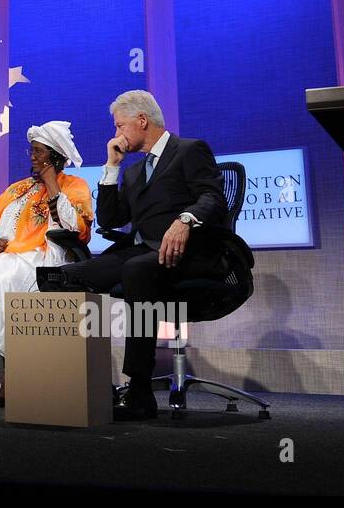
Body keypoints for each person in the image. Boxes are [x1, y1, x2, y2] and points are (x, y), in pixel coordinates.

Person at [64, 90, 227, 420]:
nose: (117, 134)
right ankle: (73, 381)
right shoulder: (135, 172)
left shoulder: (189, 150)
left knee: (137, 270)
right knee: (69, 276)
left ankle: (139, 389)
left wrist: (185, 220)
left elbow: (213, 198)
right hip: (140, 251)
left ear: (142, 121)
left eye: (120, 126)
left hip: (186, 253)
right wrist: (111, 167)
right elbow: (111, 220)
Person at [0, 122, 93, 405]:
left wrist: (52, 183)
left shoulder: (75, 185)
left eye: (38, 152)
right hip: (3, 252)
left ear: (55, 155)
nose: (32, 157)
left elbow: (77, 228)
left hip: (42, 252)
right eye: (31, 151)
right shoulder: (17, 188)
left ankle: (13, 375)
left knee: (1, 281)